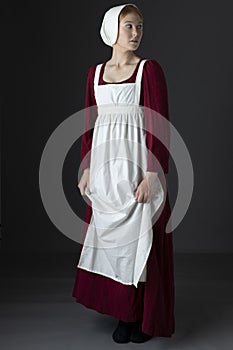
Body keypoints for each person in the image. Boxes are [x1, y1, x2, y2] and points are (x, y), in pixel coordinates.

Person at [72, 3, 175, 344]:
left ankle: (140, 317)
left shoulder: (149, 70)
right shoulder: (95, 74)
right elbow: (90, 123)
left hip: (138, 171)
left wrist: (152, 174)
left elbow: (160, 126)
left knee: (140, 244)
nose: (136, 33)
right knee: (113, 246)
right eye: (129, 26)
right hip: (105, 174)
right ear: (111, 30)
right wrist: (86, 167)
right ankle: (123, 313)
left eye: (140, 27)